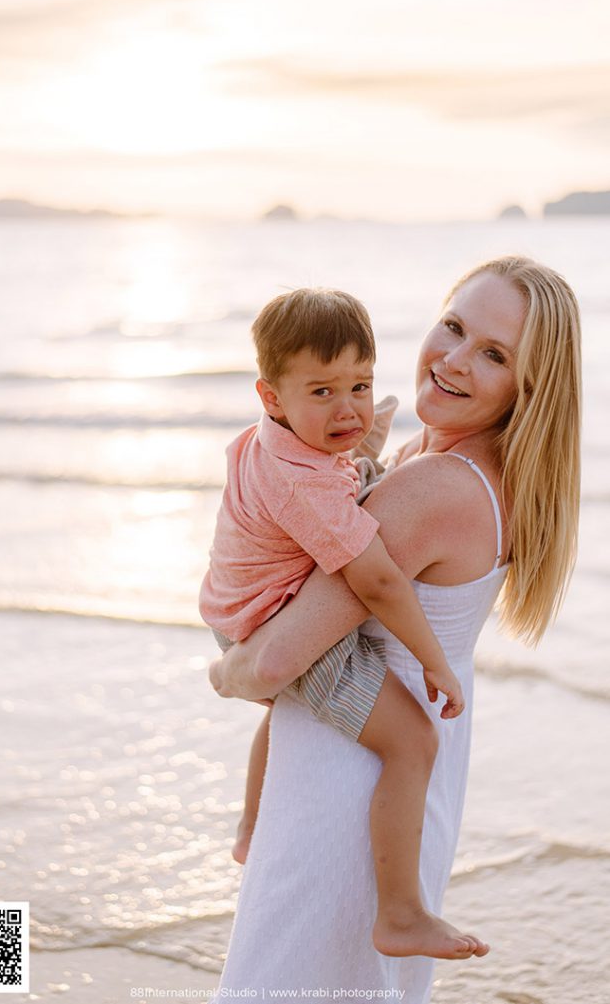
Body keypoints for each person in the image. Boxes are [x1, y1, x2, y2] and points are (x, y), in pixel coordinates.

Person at [208, 256, 581, 1000]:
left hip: (350, 780)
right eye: (454, 326)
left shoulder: (432, 486)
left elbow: (278, 658)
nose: (453, 358)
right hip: (391, 775)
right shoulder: (438, 459)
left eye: (494, 354)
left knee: (288, 977)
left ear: (527, 389)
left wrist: (225, 670)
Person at [199, 288, 480, 960]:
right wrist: (434, 659)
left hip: (236, 605)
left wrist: (355, 447)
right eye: (322, 392)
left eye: (361, 383)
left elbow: (321, 480)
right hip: (279, 625)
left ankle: (249, 826)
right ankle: (402, 913)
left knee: (287, 709)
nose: (348, 406)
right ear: (271, 396)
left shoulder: (274, 442)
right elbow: (378, 580)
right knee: (413, 740)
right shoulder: (306, 484)